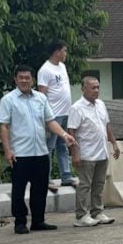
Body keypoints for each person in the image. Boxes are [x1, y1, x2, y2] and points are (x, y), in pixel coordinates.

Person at [0, 64, 76, 235]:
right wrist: (7, 150)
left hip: (41, 152)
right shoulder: (8, 100)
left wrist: (64, 135)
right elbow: (4, 126)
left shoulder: (41, 98)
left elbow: (50, 121)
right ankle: (20, 222)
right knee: (18, 190)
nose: (24, 80)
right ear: (15, 79)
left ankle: (38, 221)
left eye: (27, 77)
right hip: (20, 153)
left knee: (40, 189)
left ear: (32, 79)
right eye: (21, 77)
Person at [68, 76, 120, 227]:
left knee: (99, 184)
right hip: (87, 153)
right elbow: (72, 131)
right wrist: (75, 153)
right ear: (83, 89)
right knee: (84, 185)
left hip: (102, 152)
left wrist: (114, 143)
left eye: (98, 87)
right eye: (92, 87)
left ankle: (97, 211)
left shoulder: (101, 104)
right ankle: (81, 216)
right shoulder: (77, 108)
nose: (96, 90)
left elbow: (106, 126)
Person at [38, 41, 76, 190]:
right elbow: (42, 94)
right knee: (49, 147)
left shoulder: (62, 67)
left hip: (66, 112)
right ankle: (45, 178)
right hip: (53, 115)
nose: (66, 54)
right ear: (57, 52)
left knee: (63, 145)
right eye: (64, 51)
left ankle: (66, 176)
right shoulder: (45, 70)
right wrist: (45, 117)